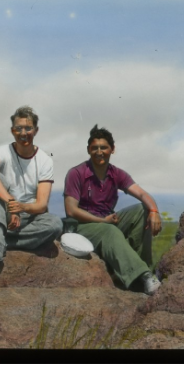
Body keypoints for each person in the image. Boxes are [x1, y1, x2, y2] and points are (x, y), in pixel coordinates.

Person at [63, 124, 162, 295]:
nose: (99, 152)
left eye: (104, 147)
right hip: (83, 227)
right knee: (109, 230)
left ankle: (138, 266)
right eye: (94, 148)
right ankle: (144, 276)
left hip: (107, 221)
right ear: (88, 150)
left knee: (142, 210)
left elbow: (142, 194)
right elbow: (71, 210)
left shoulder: (117, 174)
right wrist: (102, 221)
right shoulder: (76, 173)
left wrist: (153, 211)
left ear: (112, 149)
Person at [0, 105, 63, 264]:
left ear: (36, 130)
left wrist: (21, 207)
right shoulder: (1, 151)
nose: (23, 133)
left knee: (55, 224)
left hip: (29, 217)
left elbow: (41, 205)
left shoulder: (45, 160)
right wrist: (11, 202)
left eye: (28, 128)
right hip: (2, 212)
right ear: (12, 131)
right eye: (19, 128)